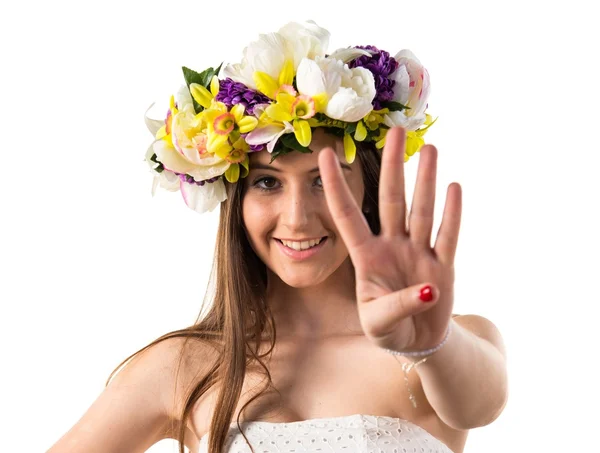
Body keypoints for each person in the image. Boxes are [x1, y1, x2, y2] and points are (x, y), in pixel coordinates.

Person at [46, 20, 508, 453]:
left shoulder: (439, 344)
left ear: (368, 188)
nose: (297, 218)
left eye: (324, 179)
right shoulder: (186, 366)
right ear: (236, 200)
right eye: (267, 182)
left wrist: (432, 343)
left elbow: (481, 405)